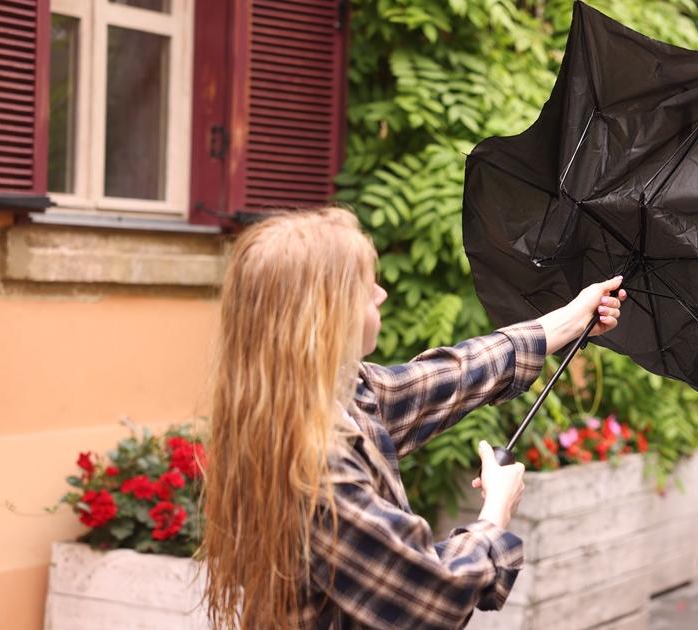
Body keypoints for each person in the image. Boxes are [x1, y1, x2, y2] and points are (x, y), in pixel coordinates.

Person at [202, 207, 626, 629]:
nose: (381, 294)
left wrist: (572, 319)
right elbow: (434, 595)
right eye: (365, 288)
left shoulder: (329, 397)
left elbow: (454, 376)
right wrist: (497, 509)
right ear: (324, 314)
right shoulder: (313, 467)